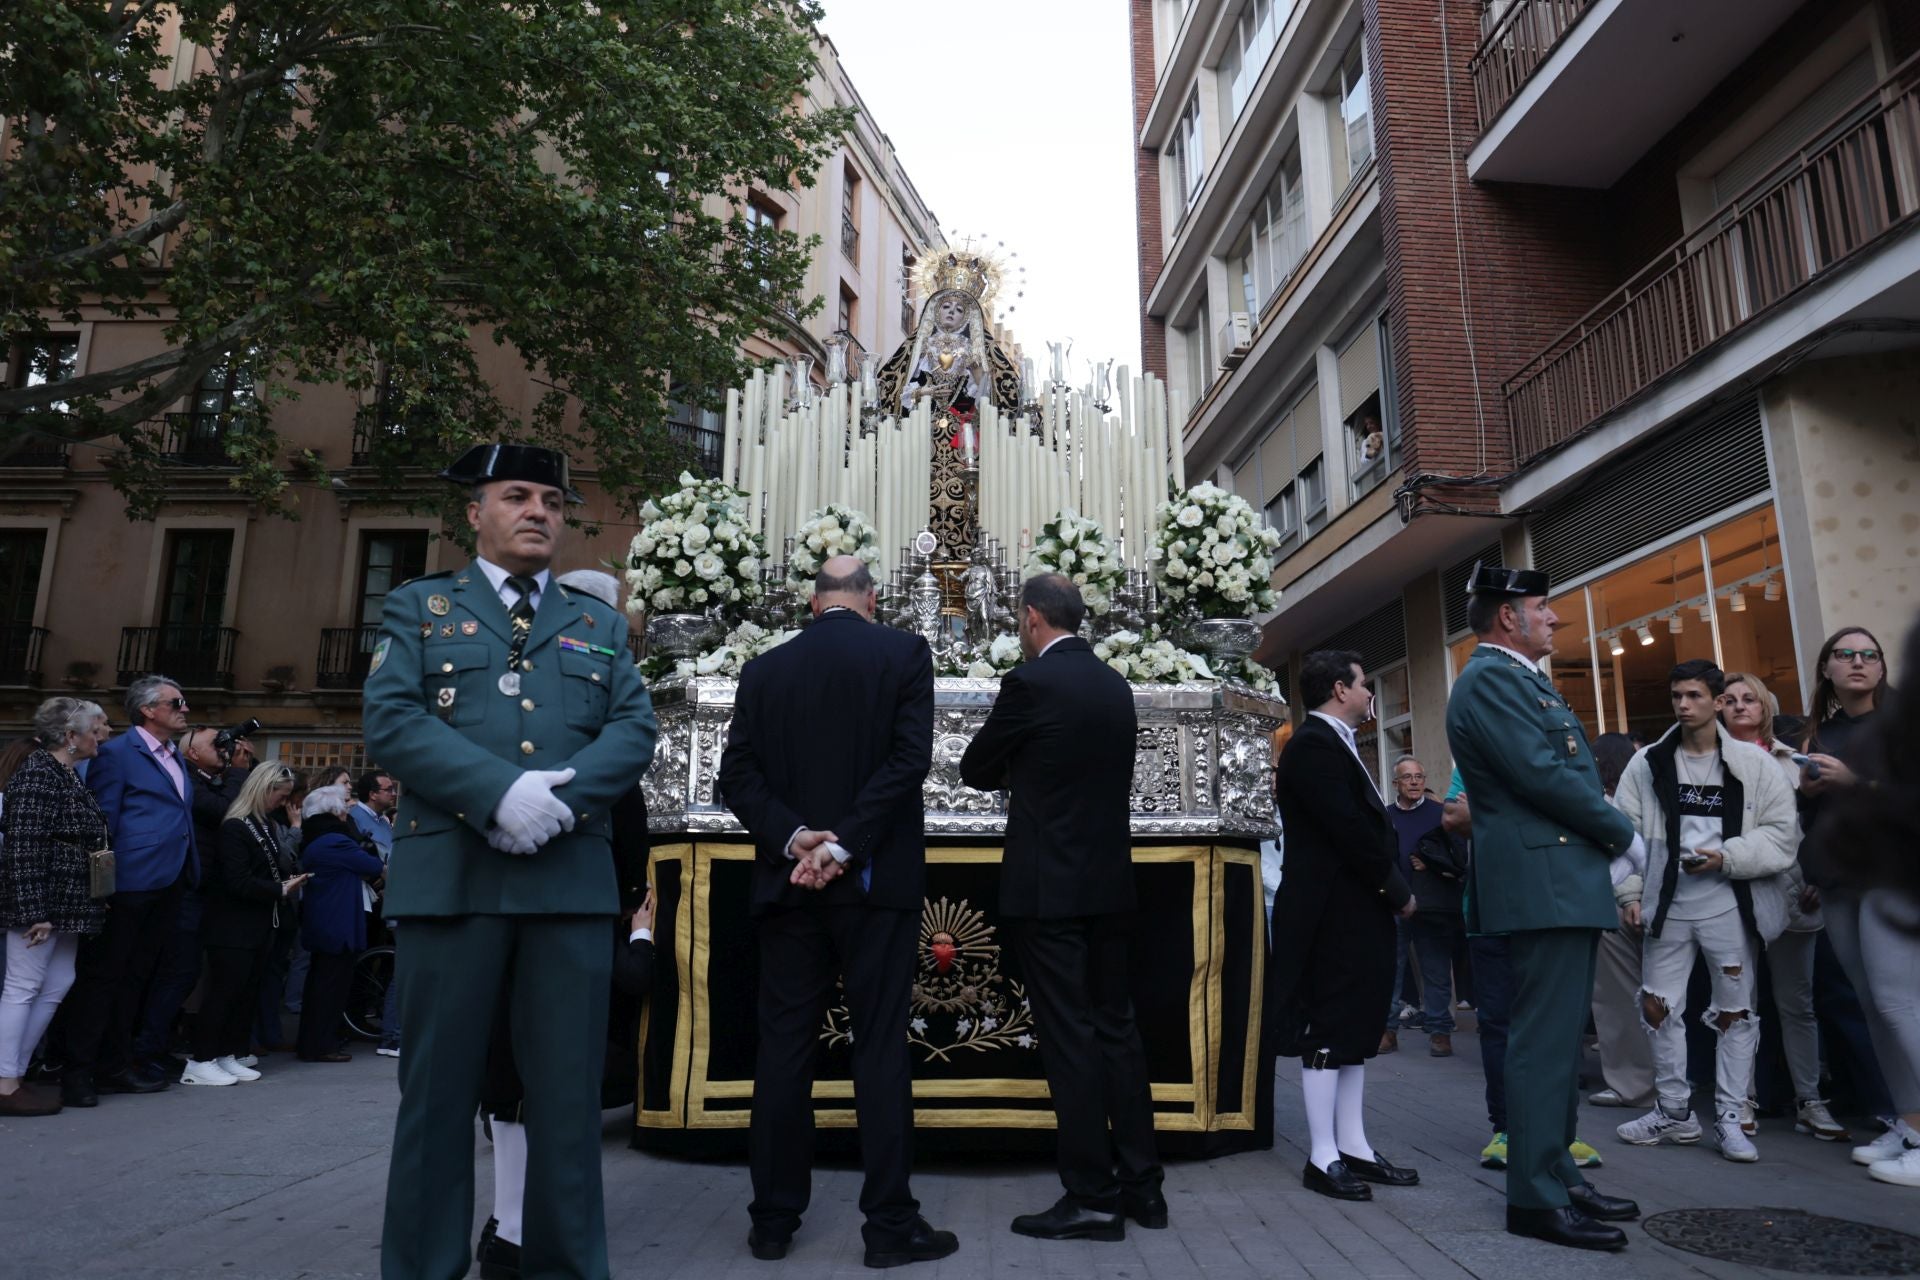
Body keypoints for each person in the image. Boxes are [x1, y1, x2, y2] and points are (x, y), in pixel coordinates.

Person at [365, 443, 657, 1280]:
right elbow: (391, 720)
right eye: (518, 496)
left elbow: (633, 728)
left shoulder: (598, 622)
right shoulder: (420, 608)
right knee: (436, 1101)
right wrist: (498, 794)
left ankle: (565, 1269)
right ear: (474, 512)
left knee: (568, 1101)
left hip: (565, 888)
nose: (539, 512)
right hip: (452, 886)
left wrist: (559, 803)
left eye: (554, 503)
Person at [716, 554, 953, 1268]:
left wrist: (797, 839)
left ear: (812, 603)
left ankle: (772, 1221)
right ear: (871, 599)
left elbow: (737, 776)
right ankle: (888, 1226)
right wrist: (844, 846)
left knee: (784, 1052)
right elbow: (910, 762)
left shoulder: (764, 670)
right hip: (873, 888)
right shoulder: (904, 653)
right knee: (878, 1049)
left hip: (787, 884)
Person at [960, 573, 1165, 1239]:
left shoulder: (1030, 684)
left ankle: (1092, 1196)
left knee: (1070, 1040)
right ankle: (1144, 1188)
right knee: (1118, 1031)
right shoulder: (1114, 685)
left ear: (1030, 619)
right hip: (1109, 883)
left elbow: (973, 766)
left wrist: (1019, 771)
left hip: (1049, 888)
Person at [1445, 564, 1639, 1251]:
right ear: (1508, 618)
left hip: (1557, 880)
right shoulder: (1493, 679)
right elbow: (1543, 774)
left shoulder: (1517, 678)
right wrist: (1623, 833)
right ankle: (1533, 1196)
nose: (1554, 617)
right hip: (1543, 883)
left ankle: (1559, 1174)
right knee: (1542, 1046)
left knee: (1556, 1046)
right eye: (1543, 607)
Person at [1611, 660, 1796, 1162]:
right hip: (1665, 906)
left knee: (1735, 1012)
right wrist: (1629, 894)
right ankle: (1673, 1111)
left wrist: (1729, 857)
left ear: (1717, 702)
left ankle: (1733, 1115)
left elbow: (1783, 834)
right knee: (1656, 1006)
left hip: (1729, 905)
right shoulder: (1648, 763)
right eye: (1676, 696)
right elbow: (1623, 834)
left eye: (1694, 695)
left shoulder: (1755, 765)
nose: (1683, 705)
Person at [1265, 650, 1419, 1202]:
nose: (1370, 694)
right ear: (1339, 689)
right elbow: (1349, 829)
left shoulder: (1335, 744)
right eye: (1363, 684)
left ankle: (1352, 1144)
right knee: (1329, 1029)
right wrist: (1396, 890)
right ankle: (1322, 1155)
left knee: (1354, 1028)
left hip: (1353, 910)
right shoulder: (1312, 745)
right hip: (1331, 914)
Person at [1797, 626, 1920, 1185]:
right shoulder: (1815, 735)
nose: (1858, 663)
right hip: (1838, 882)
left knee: (1899, 1004)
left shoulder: (1901, 728)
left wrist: (1854, 781)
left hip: (1893, 877)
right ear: (1826, 669)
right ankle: (1909, 1123)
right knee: (1872, 1008)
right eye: (1845, 655)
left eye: (1870, 655)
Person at [57, 675, 198, 1107]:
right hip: (128, 883)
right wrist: (102, 885)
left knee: (137, 978)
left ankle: (118, 1064)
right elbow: (104, 823)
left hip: (170, 880)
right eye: (176, 701)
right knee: (103, 978)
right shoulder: (117, 754)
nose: (185, 708)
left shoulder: (174, 755)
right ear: (147, 710)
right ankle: (80, 1071)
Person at [1720, 671, 1848, 1142]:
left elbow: (1815, 824)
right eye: (1729, 699)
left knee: (1798, 1004)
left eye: (1748, 699)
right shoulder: (1704, 762)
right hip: (1732, 893)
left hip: (1793, 890)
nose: (1739, 706)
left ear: (1765, 707)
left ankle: (1810, 1100)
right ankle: (1741, 1099)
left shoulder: (1793, 761)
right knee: (1739, 1004)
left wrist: (1817, 874)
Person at [0, 699, 111, 1116]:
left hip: (68, 900)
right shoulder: (38, 773)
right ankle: (5, 1081)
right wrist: (35, 912)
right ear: (70, 736)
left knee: (58, 981)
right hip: (44, 901)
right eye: (96, 725)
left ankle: (13, 1072)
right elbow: (24, 847)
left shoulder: (64, 773)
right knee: (23, 986)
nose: (103, 732)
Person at [183, 763, 310, 1086]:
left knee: (245, 994)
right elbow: (236, 880)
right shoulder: (235, 827)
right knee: (224, 993)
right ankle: (201, 1060)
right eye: (280, 796)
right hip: (231, 926)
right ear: (264, 790)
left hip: (258, 922)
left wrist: (283, 882)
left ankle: (228, 1053)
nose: (282, 803)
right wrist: (279, 888)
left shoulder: (262, 824)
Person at [132, 724, 238, 1081]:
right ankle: (146, 1050)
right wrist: (236, 768)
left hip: (203, 888)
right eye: (216, 744)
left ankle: (158, 1046)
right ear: (192, 753)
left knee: (185, 974)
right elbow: (227, 809)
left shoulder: (206, 780)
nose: (225, 748)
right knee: (176, 973)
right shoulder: (188, 782)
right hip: (185, 889)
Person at [1584, 732, 1654, 1112]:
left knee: (1619, 997)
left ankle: (1634, 1084)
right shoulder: (1644, 792)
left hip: (1618, 902)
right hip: (1648, 900)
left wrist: (1631, 895)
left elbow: (1624, 849)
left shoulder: (1606, 802)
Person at [293, 785, 383, 1062]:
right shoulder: (335, 841)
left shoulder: (316, 839)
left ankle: (315, 1042)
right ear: (334, 812)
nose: (347, 812)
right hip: (337, 924)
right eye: (344, 807)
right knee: (330, 988)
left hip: (324, 921)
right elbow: (373, 866)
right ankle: (322, 1044)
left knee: (320, 984)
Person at [1389, 755, 1457, 1057]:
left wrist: (1431, 864)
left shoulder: (1440, 814)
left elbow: (1458, 859)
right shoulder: (1385, 816)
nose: (1415, 782)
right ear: (1396, 784)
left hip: (1432, 906)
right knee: (1391, 971)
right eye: (1408, 777)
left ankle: (1440, 1031)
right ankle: (1387, 1030)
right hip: (1394, 904)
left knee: (1436, 970)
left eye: (1419, 776)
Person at [350, 770, 400, 1058]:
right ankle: (356, 1015)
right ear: (373, 793)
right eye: (388, 789)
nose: (392, 793)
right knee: (364, 960)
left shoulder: (382, 820)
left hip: (385, 895)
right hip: (370, 895)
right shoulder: (358, 816)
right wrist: (378, 883)